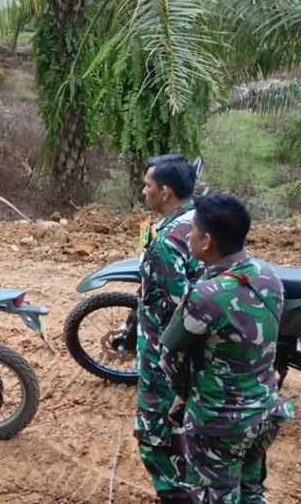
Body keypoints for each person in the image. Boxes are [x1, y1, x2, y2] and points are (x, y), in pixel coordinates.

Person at [161, 194, 296, 503]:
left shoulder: (205, 295)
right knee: (251, 492)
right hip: (264, 412)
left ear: (206, 240)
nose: (189, 237)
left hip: (219, 422)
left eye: (193, 230)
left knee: (215, 495)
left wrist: (185, 395)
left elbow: (170, 358)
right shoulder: (269, 276)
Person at [136, 155, 204, 502]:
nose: (143, 190)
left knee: (154, 433)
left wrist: (170, 365)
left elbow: (176, 313)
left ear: (165, 192)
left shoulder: (167, 242)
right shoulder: (199, 223)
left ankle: (176, 494)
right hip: (199, 352)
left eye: (148, 184)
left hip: (165, 355)